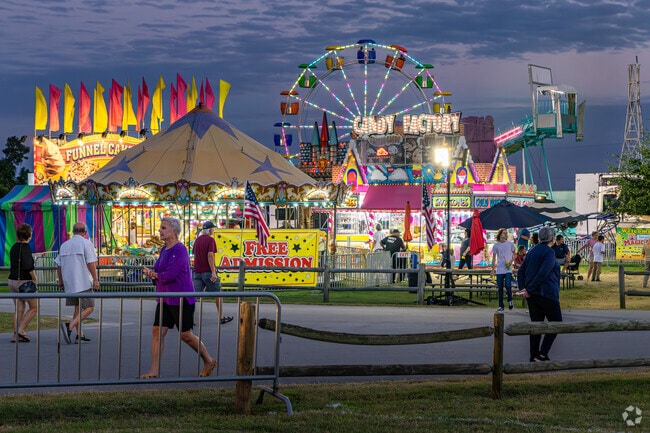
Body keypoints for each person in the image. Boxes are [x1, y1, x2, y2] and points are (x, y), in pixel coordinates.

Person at [140, 217, 217, 379]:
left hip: (181, 298)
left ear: (174, 231)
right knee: (157, 331)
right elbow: (161, 273)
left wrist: (155, 274)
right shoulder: (164, 249)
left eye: (163, 228)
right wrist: (152, 275)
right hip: (165, 298)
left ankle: (209, 360)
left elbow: (170, 274)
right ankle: (153, 370)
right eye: (160, 227)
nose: (160, 231)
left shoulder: (180, 249)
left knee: (186, 335)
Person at [516, 226, 562, 362]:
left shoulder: (532, 251)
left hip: (533, 295)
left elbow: (520, 272)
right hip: (546, 292)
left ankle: (534, 354)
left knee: (536, 324)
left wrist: (524, 289)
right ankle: (542, 353)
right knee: (556, 323)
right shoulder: (549, 252)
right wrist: (529, 289)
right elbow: (544, 272)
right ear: (552, 239)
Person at [56, 222, 99, 344]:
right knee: (89, 307)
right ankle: (70, 326)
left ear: (74, 231)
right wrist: (95, 279)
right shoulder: (86, 243)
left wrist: (61, 280)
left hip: (69, 282)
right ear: (85, 232)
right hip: (82, 281)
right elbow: (91, 263)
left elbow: (58, 264)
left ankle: (79, 334)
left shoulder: (65, 245)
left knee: (78, 307)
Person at [192, 221, 233, 325]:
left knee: (193, 296)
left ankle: (188, 317)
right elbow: (210, 255)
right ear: (209, 230)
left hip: (197, 271)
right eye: (213, 229)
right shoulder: (210, 240)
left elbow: (195, 254)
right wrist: (213, 272)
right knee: (217, 293)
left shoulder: (197, 241)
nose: (213, 231)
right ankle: (221, 316)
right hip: (207, 271)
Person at [8, 223, 38, 343]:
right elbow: (28, 265)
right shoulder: (26, 248)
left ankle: (16, 335)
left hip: (12, 280)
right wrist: (35, 279)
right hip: (24, 281)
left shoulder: (14, 247)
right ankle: (21, 329)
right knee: (34, 308)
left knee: (19, 308)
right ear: (29, 235)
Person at [490, 228, 515, 312]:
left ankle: (510, 300)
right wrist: (493, 269)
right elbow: (493, 258)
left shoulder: (510, 244)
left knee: (508, 285)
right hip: (500, 268)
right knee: (500, 288)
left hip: (508, 268)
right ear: (500, 235)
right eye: (504, 233)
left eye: (506, 233)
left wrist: (511, 262)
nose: (505, 235)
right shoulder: (496, 246)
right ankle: (501, 305)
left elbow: (515, 255)